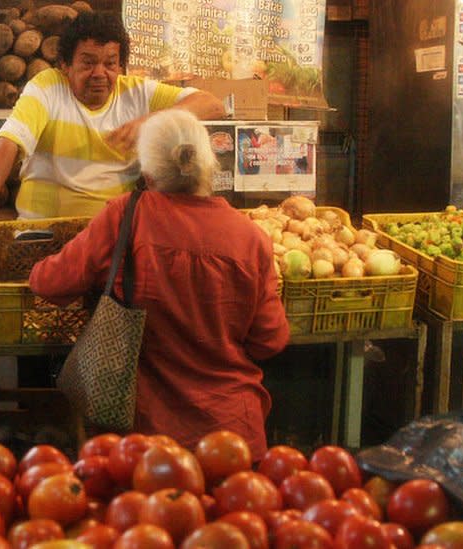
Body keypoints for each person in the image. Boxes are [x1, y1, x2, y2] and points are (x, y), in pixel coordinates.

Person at [28, 109, 289, 459]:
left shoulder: (126, 216)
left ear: (148, 173)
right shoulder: (252, 238)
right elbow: (270, 341)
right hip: (232, 438)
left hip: (142, 441)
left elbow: (49, 282)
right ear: (208, 164)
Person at [0, 11, 226, 237]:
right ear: (65, 64)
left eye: (110, 63)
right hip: (40, 236)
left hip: (112, 239)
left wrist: (152, 121)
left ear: (121, 66)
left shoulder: (137, 93)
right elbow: (9, 141)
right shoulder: (47, 87)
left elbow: (213, 105)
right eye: (88, 63)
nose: (100, 73)